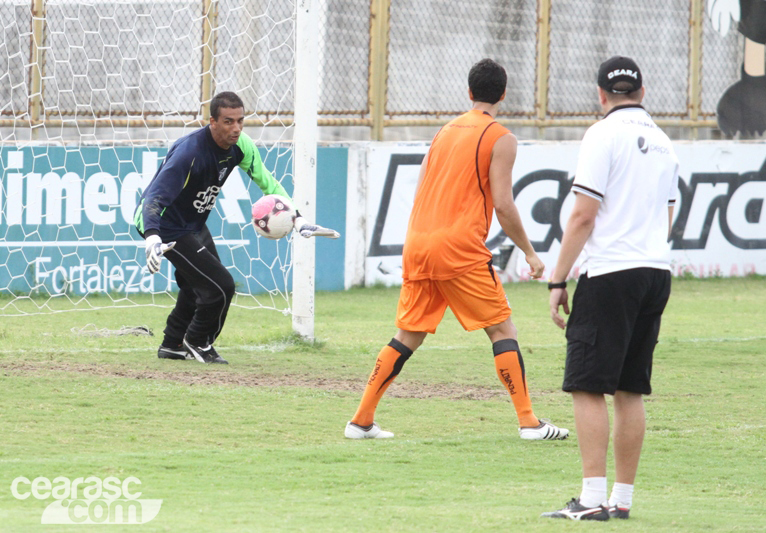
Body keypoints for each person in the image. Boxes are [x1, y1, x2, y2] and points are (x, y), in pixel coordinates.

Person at [344, 59, 569, 441]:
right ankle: (529, 422)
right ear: (503, 94)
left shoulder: (444, 131)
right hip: (459, 246)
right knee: (501, 327)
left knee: (408, 333)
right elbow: (503, 204)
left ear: (469, 92)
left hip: (418, 242)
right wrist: (530, 253)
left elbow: (421, 190)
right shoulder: (501, 137)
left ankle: (360, 420)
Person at [541, 56, 679, 520]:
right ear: (642, 92)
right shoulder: (663, 143)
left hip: (611, 272)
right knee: (629, 389)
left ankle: (591, 499)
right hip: (654, 271)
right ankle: (622, 500)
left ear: (601, 95)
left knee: (586, 384)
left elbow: (583, 214)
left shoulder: (602, 134)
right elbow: (668, 215)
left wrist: (558, 277)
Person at [134, 91, 338, 364]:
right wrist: (151, 237)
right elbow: (154, 198)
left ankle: (173, 344)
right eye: (229, 121)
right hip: (166, 226)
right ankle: (198, 342)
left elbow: (268, 184)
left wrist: (297, 218)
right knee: (221, 287)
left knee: (198, 285)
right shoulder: (189, 152)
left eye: (241, 121)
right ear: (212, 122)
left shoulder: (242, 145)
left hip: (193, 224)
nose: (237, 128)